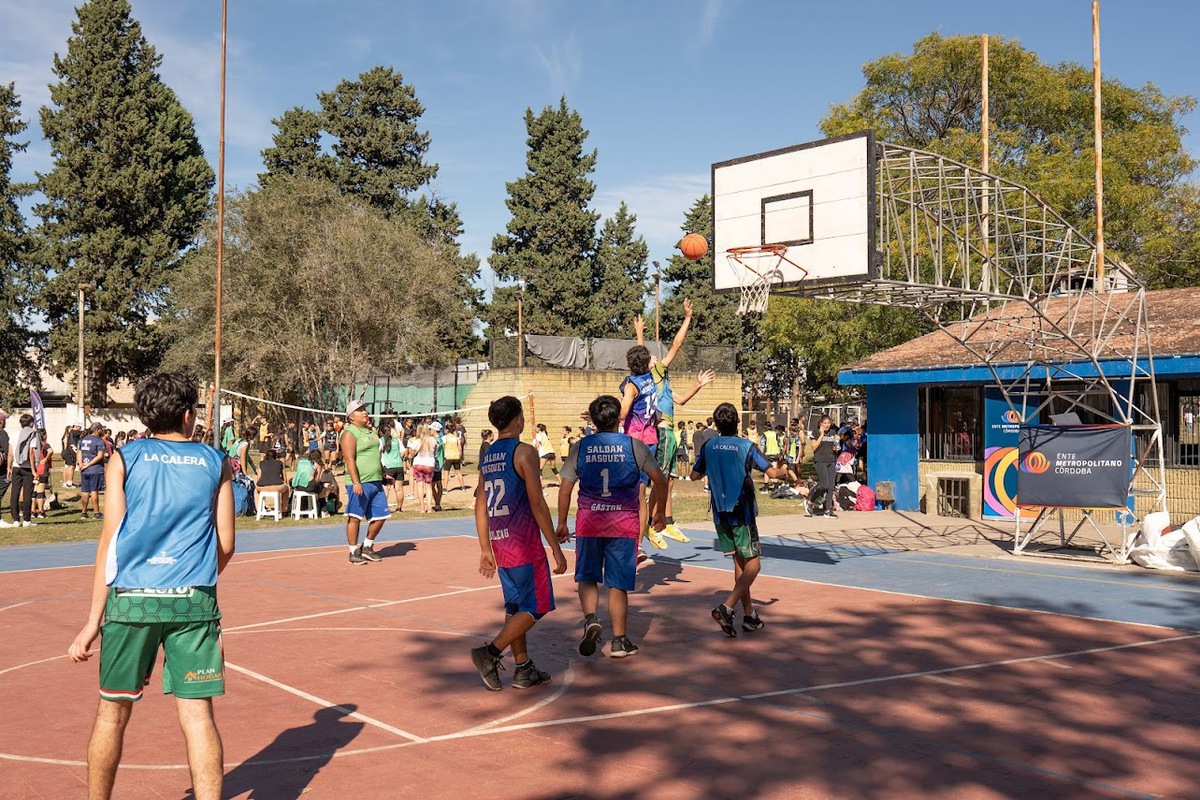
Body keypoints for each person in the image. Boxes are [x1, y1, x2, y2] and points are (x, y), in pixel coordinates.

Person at [67, 371, 235, 800]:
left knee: (112, 713)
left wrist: (92, 620)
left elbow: (110, 541)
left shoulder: (125, 457)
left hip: (132, 602)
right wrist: (195, 575)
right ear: (186, 415)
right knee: (198, 717)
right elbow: (227, 544)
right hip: (193, 602)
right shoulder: (215, 461)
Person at [470, 396, 568, 691]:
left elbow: (480, 504)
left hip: (500, 541)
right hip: (523, 541)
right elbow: (537, 503)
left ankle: (523, 667)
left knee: (515, 606)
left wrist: (485, 547)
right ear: (518, 421)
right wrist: (555, 546)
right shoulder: (524, 452)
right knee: (537, 605)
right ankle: (489, 653)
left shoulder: (488, 455)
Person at [557, 395, 666, 658]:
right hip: (623, 524)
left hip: (589, 522)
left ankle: (591, 618)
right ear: (620, 418)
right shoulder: (634, 446)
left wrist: (561, 522)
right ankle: (619, 641)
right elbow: (660, 480)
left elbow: (565, 488)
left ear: (592, 420)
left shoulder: (581, 447)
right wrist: (658, 512)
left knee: (587, 576)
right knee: (617, 584)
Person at [690, 402, 789, 636]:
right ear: (737, 422)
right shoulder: (746, 446)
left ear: (716, 424)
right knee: (754, 564)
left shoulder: (709, 446)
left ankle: (749, 615)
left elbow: (695, 475)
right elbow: (772, 473)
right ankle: (727, 606)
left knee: (739, 562)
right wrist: (786, 471)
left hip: (719, 512)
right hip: (741, 511)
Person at [630, 299, 713, 550]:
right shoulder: (653, 376)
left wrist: (698, 385)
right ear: (650, 365)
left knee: (668, 479)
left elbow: (682, 400)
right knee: (660, 479)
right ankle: (656, 523)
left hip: (667, 431)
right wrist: (687, 318)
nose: (657, 357)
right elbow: (675, 345)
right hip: (661, 430)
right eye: (652, 358)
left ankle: (665, 520)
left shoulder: (662, 383)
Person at [340, 399, 389, 564]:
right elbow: (349, 459)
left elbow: (376, 455)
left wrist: (383, 472)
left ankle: (367, 546)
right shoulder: (349, 433)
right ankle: (353, 551)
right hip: (360, 482)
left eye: (364, 409)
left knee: (381, 516)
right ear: (351, 417)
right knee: (355, 517)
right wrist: (356, 482)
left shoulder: (371, 432)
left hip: (376, 481)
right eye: (360, 410)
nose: (365, 412)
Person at [9, 413, 40, 527]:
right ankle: (27, 520)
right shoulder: (32, 434)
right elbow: (31, 453)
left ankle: (16, 519)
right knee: (27, 493)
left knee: (15, 493)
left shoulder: (14, 434)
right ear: (31, 423)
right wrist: (33, 470)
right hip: (27, 467)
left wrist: (9, 467)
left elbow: (10, 453)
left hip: (16, 466)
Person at [808, 415, 840, 518]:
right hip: (820, 461)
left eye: (828, 423)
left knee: (831, 487)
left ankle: (828, 510)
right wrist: (821, 435)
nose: (827, 425)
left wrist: (837, 441)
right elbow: (813, 447)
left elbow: (836, 449)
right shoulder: (816, 432)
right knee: (824, 485)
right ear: (820, 423)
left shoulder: (832, 433)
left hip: (831, 461)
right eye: (825, 423)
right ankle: (811, 499)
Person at [78, 422, 108, 520]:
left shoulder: (83, 439)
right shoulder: (99, 441)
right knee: (94, 491)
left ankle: (83, 512)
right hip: (95, 469)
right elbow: (100, 456)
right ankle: (96, 513)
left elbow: (79, 452)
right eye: (101, 429)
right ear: (97, 430)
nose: (102, 431)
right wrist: (89, 464)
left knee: (85, 492)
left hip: (84, 470)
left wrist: (81, 464)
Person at [379, 422, 406, 512]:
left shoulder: (381, 441)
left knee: (386, 487)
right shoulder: (397, 440)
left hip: (387, 466)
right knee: (399, 488)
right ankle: (399, 508)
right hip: (398, 465)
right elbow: (403, 452)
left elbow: (378, 453)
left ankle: (383, 508)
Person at [253, 448, 290, 514]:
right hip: (277, 486)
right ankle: (284, 509)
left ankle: (259, 509)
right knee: (286, 489)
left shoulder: (261, 463)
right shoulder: (280, 463)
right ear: (276, 456)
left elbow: (258, 478)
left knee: (256, 491)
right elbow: (285, 478)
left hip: (262, 487)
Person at [32, 428, 53, 519]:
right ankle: (41, 511)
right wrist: (46, 459)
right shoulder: (45, 445)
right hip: (42, 469)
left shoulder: (33, 445)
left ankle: (32, 511)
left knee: (34, 491)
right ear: (44, 436)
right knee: (41, 492)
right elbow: (50, 451)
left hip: (34, 470)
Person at [441, 419, 466, 493]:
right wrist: (459, 456)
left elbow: (443, 447)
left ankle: (445, 488)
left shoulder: (444, 438)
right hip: (456, 457)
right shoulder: (456, 438)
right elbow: (459, 448)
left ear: (447, 430)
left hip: (448, 457)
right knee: (458, 472)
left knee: (446, 473)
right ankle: (463, 487)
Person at [532, 423, 558, 487]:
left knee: (539, 470)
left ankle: (540, 486)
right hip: (552, 452)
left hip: (545, 453)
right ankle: (561, 483)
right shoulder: (545, 434)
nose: (535, 429)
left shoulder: (538, 435)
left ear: (539, 428)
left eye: (536, 427)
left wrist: (534, 446)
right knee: (554, 469)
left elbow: (537, 446)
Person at [62, 424, 81, 489]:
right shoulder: (70, 435)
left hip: (67, 453)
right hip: (69, 453)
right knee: (70, 467)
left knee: (68, 467)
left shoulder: (71, 435)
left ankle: (66, 482)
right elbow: (67, 446)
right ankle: (68, 483)